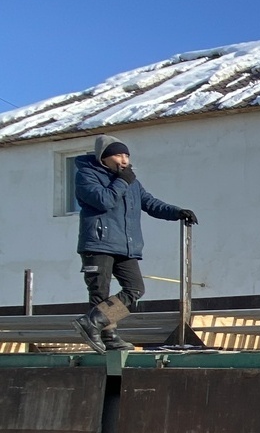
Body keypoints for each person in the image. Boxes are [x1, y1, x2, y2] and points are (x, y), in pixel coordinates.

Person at [72, 135, 198, 353]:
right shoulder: (87, 176)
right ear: (104, 157)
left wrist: (177, 212)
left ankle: (91, 323)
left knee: (135, 289)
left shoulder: (131, 182)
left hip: (126, 245)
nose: (124, 160)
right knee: (100, 293)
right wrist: (122, 181)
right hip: (98, 244)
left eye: (127, 155)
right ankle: (109, 336)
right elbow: (104, 200)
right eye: (119, 155)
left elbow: (150, 203)